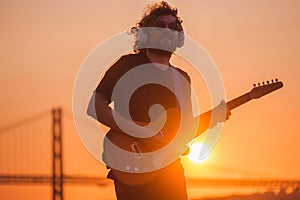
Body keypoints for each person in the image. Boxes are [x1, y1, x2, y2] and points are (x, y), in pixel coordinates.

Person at [89, 1, 230, 199]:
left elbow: (184, 131)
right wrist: (137, 130)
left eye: (173, 27)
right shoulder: (128, 65)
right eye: (160, 26)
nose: (167, 31)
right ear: (146, 33)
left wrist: (213, 118)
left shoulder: (182, 78)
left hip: (170, 170)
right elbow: (95, 105)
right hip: (132, 166)